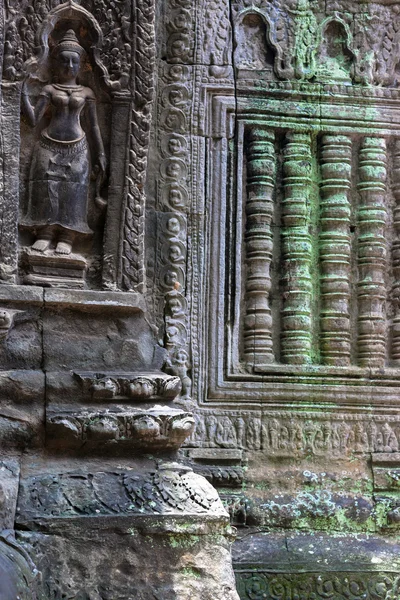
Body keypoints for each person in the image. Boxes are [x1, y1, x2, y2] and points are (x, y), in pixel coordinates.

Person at [21, 29, 106, 255]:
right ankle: (46, 232)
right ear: (56, 63)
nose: (69, 66)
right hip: (48, 143)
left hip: (78, 146)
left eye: (74, 61)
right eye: (64, 61)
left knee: (74, 192)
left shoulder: (86, 92)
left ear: (82, 64)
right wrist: (21, 90)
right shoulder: (49, 89)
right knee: (45, 187)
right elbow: (33, 120)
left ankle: (67, 236)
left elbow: (94, 125)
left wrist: (100, 153)